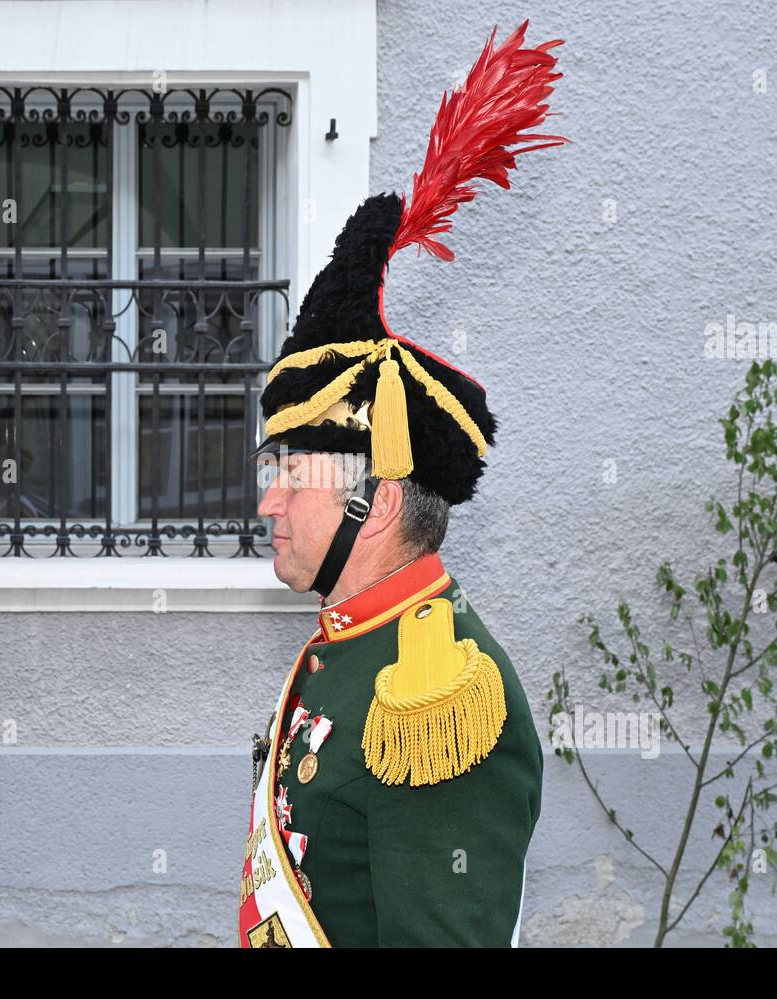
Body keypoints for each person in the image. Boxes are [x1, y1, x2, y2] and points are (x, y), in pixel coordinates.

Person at [237, 15, 568, 948]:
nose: (267, 499)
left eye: (291, 471)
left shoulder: (439, 694)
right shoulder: (348, 648)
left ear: (373, 499)